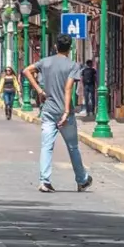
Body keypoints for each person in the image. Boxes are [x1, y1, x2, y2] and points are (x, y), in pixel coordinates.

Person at [22, 37, 93, 194]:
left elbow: (26, 70)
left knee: (46, 146)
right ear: (70, 48)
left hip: (48, 109)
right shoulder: (73, 66)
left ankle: (44, 181)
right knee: (73, 147)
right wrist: (67, 111)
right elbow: (68, 89)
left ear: (55, 46)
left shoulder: (45, 62)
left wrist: (39, 90)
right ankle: (81, 179)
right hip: (64, 111)